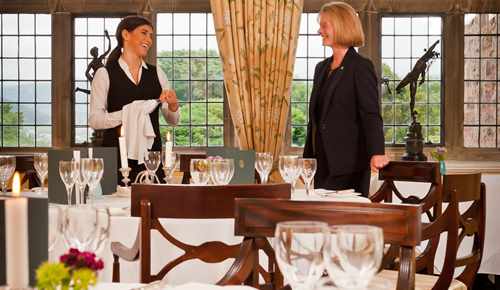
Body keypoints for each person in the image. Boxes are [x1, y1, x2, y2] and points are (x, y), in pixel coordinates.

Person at [303, 2, 389, 196]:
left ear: (341, 26)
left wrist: (377, 152)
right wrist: (307, 160)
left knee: (345, 224)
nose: (319, 31)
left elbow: (370, 113)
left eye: (324, 25)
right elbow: (316, 120)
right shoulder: (321, 68)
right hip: (321, 164)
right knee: (322, 222)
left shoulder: (360, 67)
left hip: (349, 165)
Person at [89, 15, 179, 183]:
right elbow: (95, 120)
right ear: (126, 34)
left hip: (151, 159)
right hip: (115, 156)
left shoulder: (157, 73)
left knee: (152, 207)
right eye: (144, 33)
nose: (149, 40)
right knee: (111, 208)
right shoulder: (104, 74)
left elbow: (172, 120)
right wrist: (130, 113)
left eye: (151, 35)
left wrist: (173, 105)